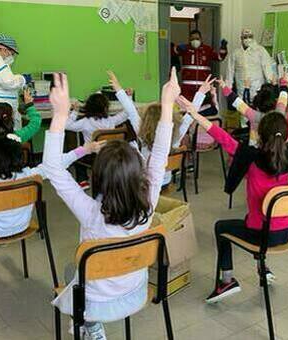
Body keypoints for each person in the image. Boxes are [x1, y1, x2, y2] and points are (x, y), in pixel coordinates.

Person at [45, 69, 178, 339]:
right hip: (135, 292)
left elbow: (53, 169)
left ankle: (91, 326)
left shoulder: (92, 213)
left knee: (73, 270)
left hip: (99, 304)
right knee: (85, 266)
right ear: (138, 171)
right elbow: (161, 152)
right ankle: (91, 326)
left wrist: (59, 116)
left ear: (98, 176)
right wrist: (168, 106)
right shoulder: (149, 202)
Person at [179, 76, 288, 303]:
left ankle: (227, 281)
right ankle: (264, 269)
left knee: (222, 227)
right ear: (287, 135)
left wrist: (195, 114)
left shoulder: (250, 158)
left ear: (258, 135)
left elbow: (222, 137)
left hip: (263, 235)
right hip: (286, 231)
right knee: (251, 219)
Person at [0, 112, 101, 238]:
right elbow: (57, 164)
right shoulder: (29, 175)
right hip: (24, 225)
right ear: (17, 154)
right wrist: (85, 149)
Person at [65, 71, 139, 188]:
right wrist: (128, 96)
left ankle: (83, 180)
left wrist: (75, 111)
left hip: (94, 156)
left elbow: (67, 125)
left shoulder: (85, 122)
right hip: (111, 154)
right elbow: (128, 112)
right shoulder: (111, 120)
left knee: (78, 153)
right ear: (106, 107)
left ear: (88, 106)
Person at [218, 73, 288, 146]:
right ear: (275, 103)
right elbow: (284, 93)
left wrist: (224, 86)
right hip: (279, 150)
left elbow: (236, 101)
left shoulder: (253, 115)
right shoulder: (280, 112)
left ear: (257, 106)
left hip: (255, 150)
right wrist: (284, 81)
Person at [173, 30, 228, 100]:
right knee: (187, 108)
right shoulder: (186, 49)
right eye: (192, 39)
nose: (195, 40)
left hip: (203, 88)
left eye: (197, 38)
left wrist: (223, 47)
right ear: (189, 40)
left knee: (203, 109)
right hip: (187, 88)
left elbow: (219, 57)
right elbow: (171, 52)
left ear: (201, 39)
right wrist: (177, 47)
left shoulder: (207, 49)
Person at [226, 29, 277, 99]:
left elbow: (267, 67)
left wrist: (271, 85)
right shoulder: (235, 53)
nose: (248, 39)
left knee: (258, 108)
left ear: (253, 37)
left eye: (250, 36)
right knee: (243, 108)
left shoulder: (260, 50)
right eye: (245, 37)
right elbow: (230, 71)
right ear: (241, 38)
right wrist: (227, 89)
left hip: (258, 90)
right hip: (242, 90)